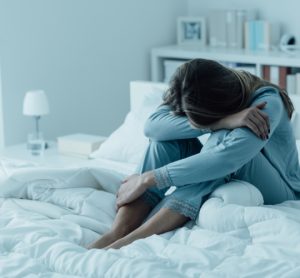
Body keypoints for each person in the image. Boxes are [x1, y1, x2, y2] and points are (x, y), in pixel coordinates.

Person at [88, 59, 300, 250]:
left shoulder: (267, 103)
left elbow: (226, 159)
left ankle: (133, 239)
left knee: (220, 145)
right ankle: (116, 233)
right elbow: (153, 127)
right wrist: (220, 122)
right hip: (228, 158)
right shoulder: (193, 87)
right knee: (165, 142)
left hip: (282, 189)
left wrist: (147, 179)